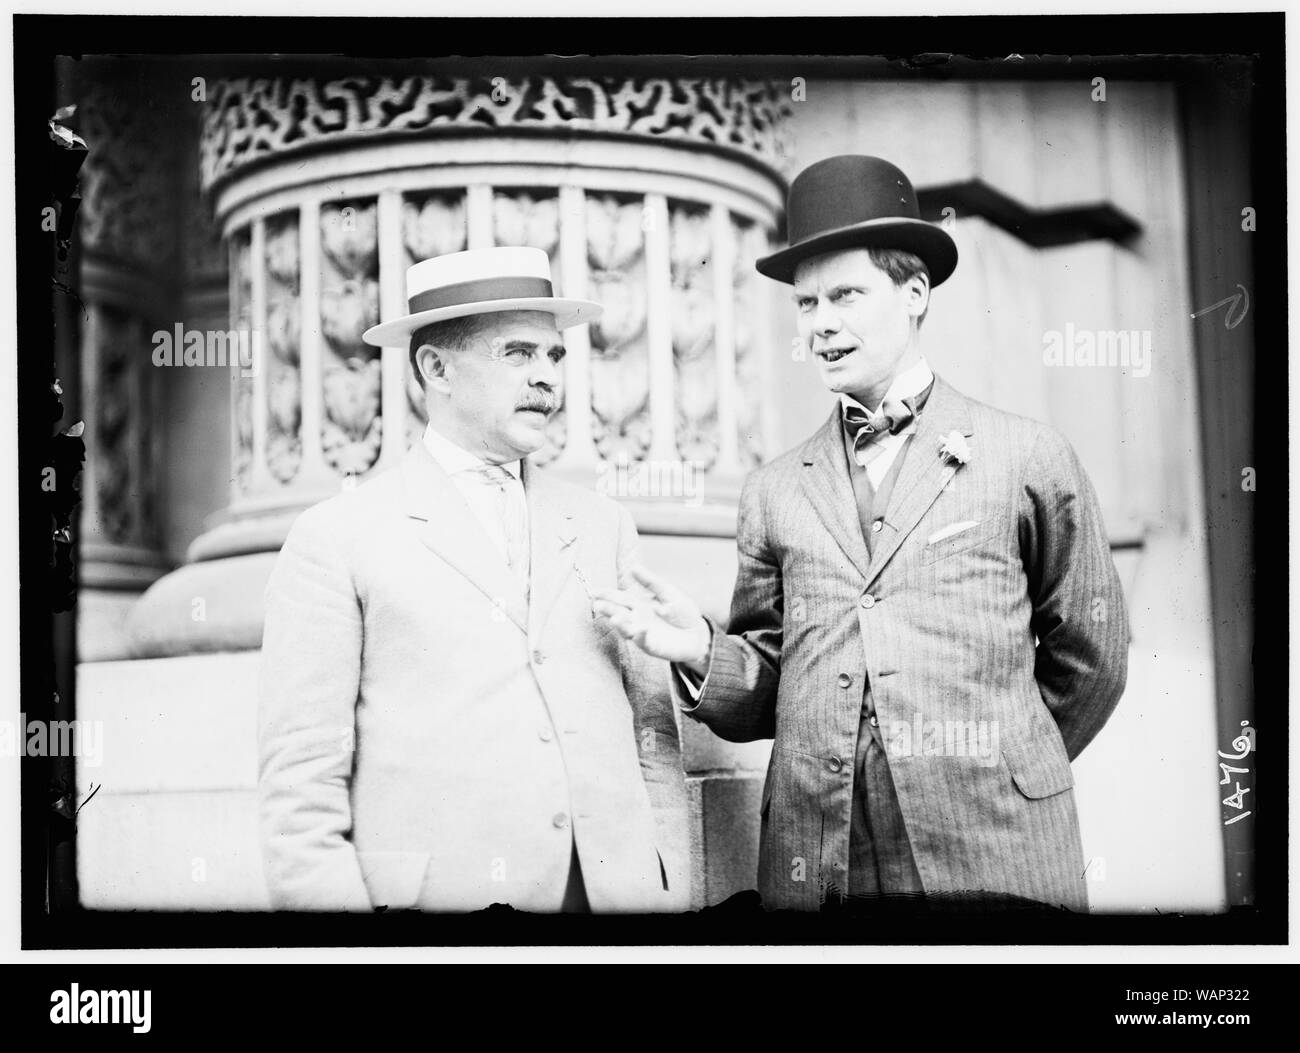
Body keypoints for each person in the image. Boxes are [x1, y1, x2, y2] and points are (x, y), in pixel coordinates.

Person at [595, 155, 1130, 911]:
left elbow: (1093, 656)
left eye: (845, 294)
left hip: (994, 859)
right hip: (824, 864)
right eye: (806, 303)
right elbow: (772, 682)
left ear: (914, 294)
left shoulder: (1026, 455)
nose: (821, 323)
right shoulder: (774, 488)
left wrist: (1005, 766)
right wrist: (700, 649)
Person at [258, 246, 688, 913]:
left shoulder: (605, 524)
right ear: (436, 368)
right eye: (517, 354)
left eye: (555, 356)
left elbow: (653, 740)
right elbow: (301, 788)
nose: (547, 378)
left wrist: (669, 889)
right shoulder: (337, 535)